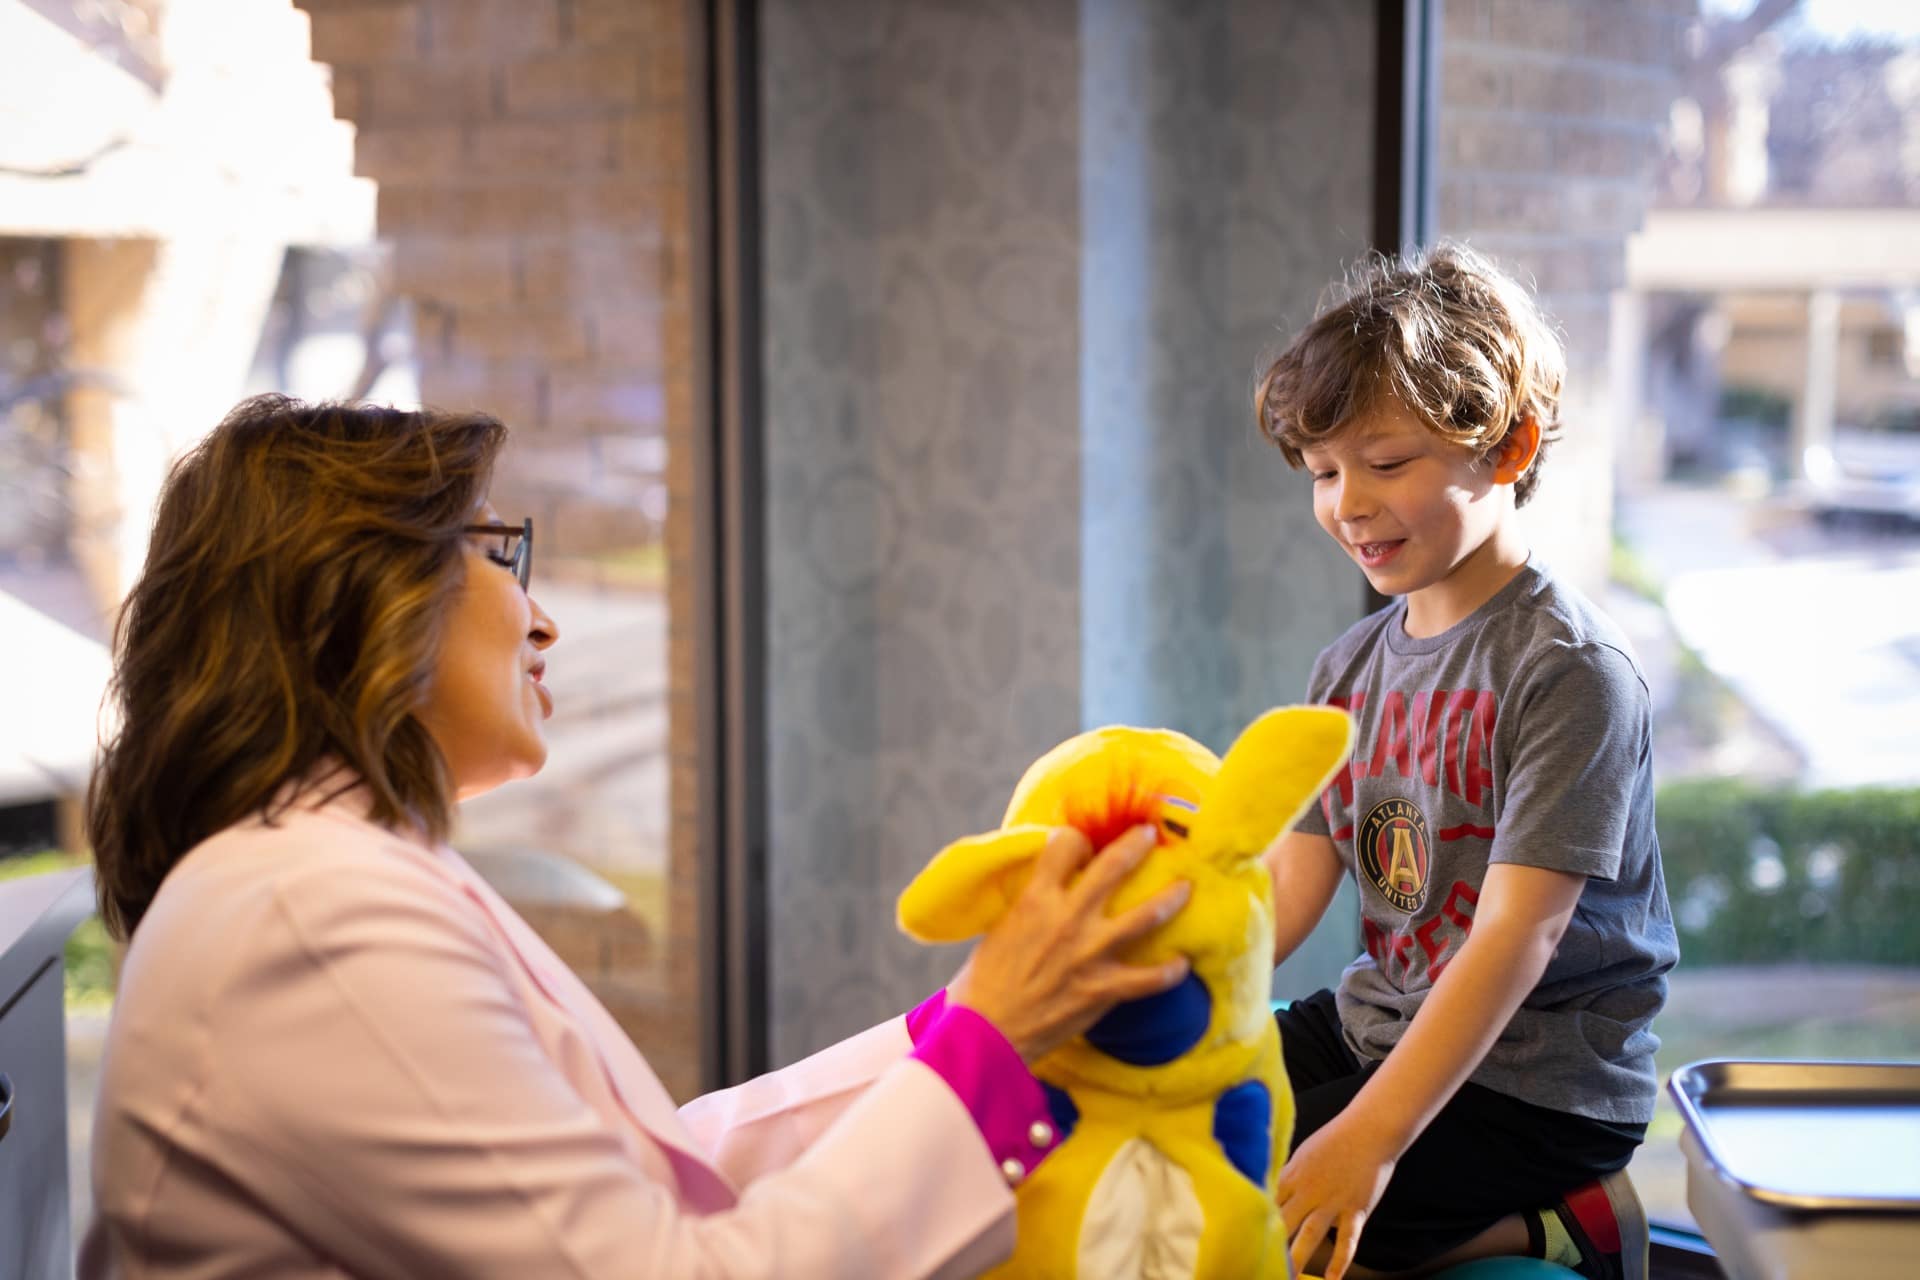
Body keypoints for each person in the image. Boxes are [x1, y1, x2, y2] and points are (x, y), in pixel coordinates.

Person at [79, 394, 1195, 1279]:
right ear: (357, 593)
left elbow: (663, 1165)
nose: (546, 615)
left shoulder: (327, 879)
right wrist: (992, 1035)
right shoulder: (313, 915)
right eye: (496, 551)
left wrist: (972, 1020)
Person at [1251, 244, 1679, 1280]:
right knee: (1175, 1149)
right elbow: (1286, 886)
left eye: (1386, 461)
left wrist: (1372, 1138)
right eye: (1323, 472)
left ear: (1509, 444)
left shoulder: (1569, 670)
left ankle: (1563, 1224)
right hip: (1382, 1017)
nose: (1348, 502)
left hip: (1542, 1079)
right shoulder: (1349, 665)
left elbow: (1514, 938)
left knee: (1278, 1231)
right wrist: (1154, 975)